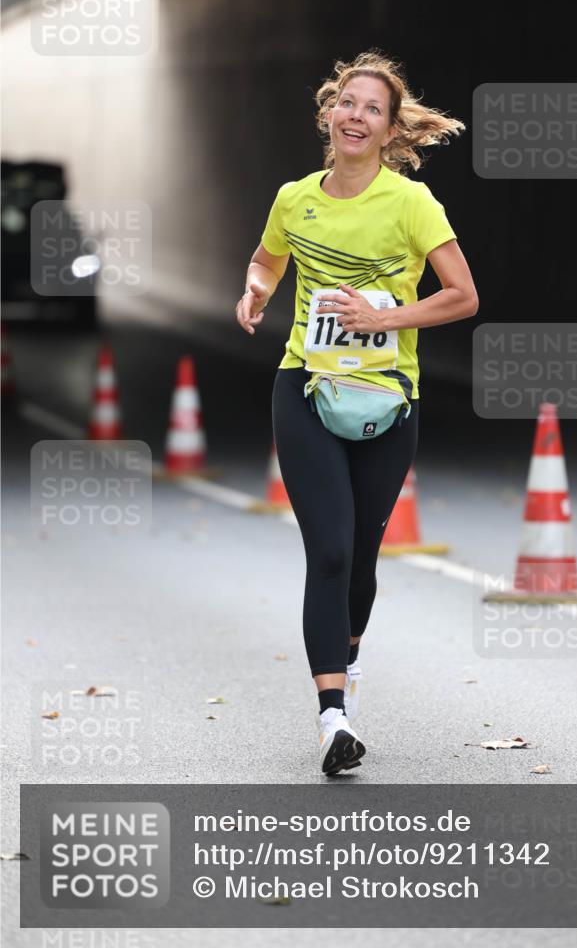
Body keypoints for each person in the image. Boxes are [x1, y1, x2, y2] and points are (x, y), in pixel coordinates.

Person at [236, 50, 478, 775]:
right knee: (331, 550)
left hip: (385, 401)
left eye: (372, 108)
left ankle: (344, 660)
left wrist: (387, 321)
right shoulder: (294, 198)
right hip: (305, 388)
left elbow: (462, 295)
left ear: (387, 128)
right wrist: (253, 290)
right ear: (328, 113)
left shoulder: (410, 204)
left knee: (362, 563)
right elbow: (265, 260)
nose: (355, 115)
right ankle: (332, 717)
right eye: (347, 102)